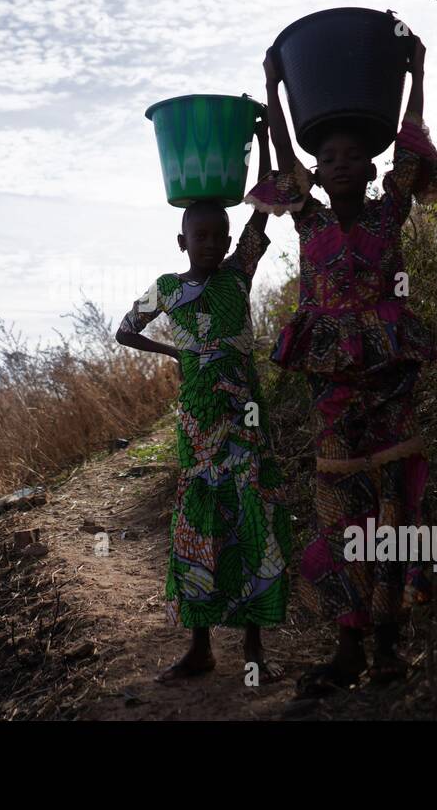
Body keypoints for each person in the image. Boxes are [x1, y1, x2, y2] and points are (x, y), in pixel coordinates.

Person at [246, 34, 437, 695]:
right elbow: (283, 156)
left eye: (353, 157)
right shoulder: (306, 221)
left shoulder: (391, 211)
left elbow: (412, 136)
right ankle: (347, 646)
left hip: (390, 385)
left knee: (397, 514)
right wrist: (275, 85)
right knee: (341, 518)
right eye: (327, 156)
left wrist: (416, 69)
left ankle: (390, 648)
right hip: (335, 396)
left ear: (371, 170)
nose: (339, 164)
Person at [116, 117, 292, 683]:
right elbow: (124, 328)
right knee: (198, 522)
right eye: (203, 235)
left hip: (245, 422)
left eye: (220, 234)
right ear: (182, 240)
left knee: (252, 519)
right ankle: (199, 647)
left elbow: (264, 209)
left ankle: (255, 648)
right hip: (196, 424)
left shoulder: (240, 274)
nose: (213, 243)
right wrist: (177, 354)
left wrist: (261, 140)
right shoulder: (169, 287)